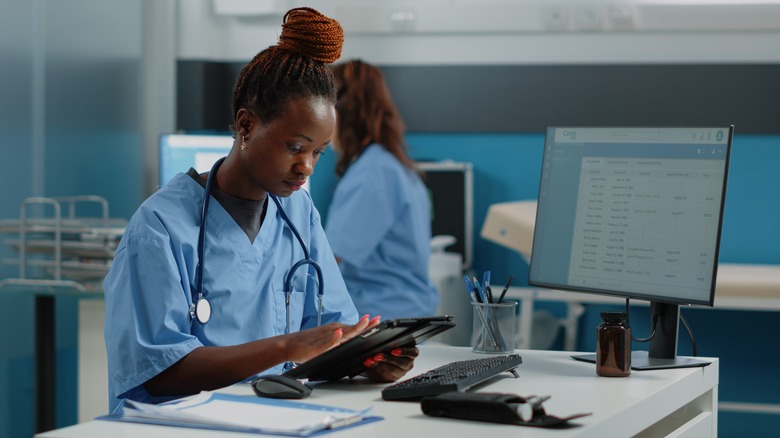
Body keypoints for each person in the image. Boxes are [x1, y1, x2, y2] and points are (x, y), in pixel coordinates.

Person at [103, 8, 418, 413]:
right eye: (295, 147)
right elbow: (158, 372)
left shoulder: (299, 212)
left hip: (272, 417)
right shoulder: (160, 227)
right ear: (247, 126)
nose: (306, 167)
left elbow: (331, 333)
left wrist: (367, 360)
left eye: (318, 152)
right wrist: (285, 347)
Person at [325, 60, 439, 320]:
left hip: (380, 315)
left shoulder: (372, 172)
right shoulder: (393, 165)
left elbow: (329, 260)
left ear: (340, 112)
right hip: (403, 310)